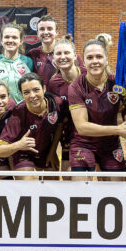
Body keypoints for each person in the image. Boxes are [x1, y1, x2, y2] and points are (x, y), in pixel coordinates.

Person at [67, 38, 126, 177]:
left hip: (110, 144)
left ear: (106, 59)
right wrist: (118, 130)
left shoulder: (118, 83)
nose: (95, 61)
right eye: (90, 57)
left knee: (118, 189)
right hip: (83, 143)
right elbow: (82, 127)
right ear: (83, 62)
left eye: (99, 56)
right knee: (81, 187)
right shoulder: (75, 87)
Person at [0, 73, 66, 180]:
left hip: (45, 151)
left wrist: (52, 152)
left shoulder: (56, 103)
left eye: (36, 90)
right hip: (23, 153)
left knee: (52, 186)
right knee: (27, 186)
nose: (32, 95)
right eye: (26, 92)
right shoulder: (18, 113)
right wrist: (19, 145)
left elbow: (59, 126)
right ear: (22, 95)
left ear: (44, 89)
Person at [46, 35, 86, 171]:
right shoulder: (53, 83)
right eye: (59, 53)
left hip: (91, 135)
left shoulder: (88, 75)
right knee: (68, 176)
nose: (62, 57)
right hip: (69, 136)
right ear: (53, 58)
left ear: (75, 56)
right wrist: (52, 151)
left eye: (66, 53)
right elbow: (58, 120)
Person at [0, 23, 33, 103]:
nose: (10, 40)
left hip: (22, 110)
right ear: (1, 40)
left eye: (14, 37)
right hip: (0, 110)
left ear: (21, 41)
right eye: (6, 37)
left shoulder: (28, 62)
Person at [26, 15, 84, 82]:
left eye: (49, 29)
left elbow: (83, 77)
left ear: (56, 32)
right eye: (42, 29)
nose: (46, 32)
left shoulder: (68, 54)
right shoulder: (32, 54)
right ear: (38, 33)